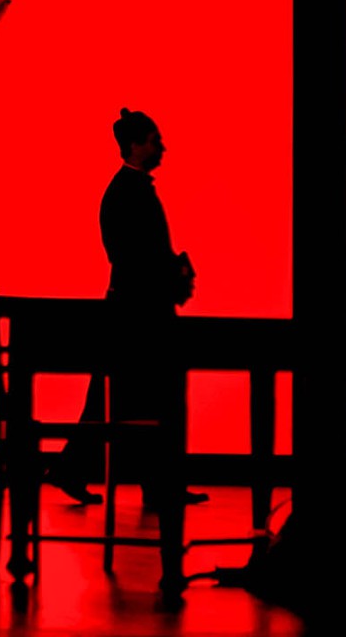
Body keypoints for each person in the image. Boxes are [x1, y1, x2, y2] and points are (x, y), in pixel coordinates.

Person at [51, 107, 207, 508]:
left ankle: (90, 472)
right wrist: (173, 275)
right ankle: (155, 485)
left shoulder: (123, 190)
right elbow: (137, 255)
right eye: (155, 140)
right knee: (151, 398)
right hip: (141, 312)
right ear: (135, 145)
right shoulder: (130, 192)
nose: (162, 147)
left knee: (120, 398)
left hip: (132, 308)